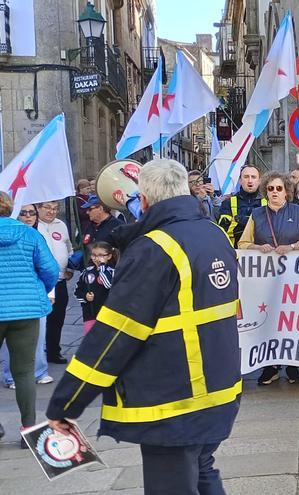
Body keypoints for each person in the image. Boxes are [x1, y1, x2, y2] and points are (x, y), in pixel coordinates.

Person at [46, 159, 241, 494]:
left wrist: (67, 403)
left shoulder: (153, 249)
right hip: (219, 390)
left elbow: (113, 336)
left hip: (175, 399)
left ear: (146, 201)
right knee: (202, 471)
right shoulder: (214, 233)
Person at [239, 171, 299, 386]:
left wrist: (292, 247)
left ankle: (292, 365)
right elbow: (243, 243)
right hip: (265, 282)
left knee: (291, 321)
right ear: (265, 191)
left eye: (279, 189)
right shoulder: (256, 214)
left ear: (287, 191)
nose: (274, 192)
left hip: (294, 279)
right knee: (269, 321)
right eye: (271, 189)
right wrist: (257, 247)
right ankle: (270, 366)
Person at [1, 204, 54, 390]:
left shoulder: (34, 234)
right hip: (29, 300)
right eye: (24, 212)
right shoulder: (32, 235)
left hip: (12, 303)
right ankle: (28, 416)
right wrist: (42, 289)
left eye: (32, 212)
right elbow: (50, 270)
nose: (28, 216)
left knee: (16, 344)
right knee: (32, 339)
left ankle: (20, 375)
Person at [37, 201, 74, 364]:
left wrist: (70, 266)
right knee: (39, 320)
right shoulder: (33, 226)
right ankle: (35, 355)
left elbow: (68, 247)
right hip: (41, 281)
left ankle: (53, 351)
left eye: (55, 208)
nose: (52, 212)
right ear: (38, 209)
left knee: (57, 318)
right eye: (47, 208)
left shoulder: (61, 225)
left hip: (59, 280)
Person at [74, 241, 117, 335]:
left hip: (107, 313)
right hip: (90, 313)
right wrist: (85, 296)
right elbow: (77, 290)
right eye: (94, 255)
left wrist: (102, 267)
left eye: (101, 255)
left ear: (109, 256)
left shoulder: (112, 271)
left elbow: (108, 284)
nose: (97, 258)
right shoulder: (87, 271)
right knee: (90, 339)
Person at [217, 165, 265, 247]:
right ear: (240, 180)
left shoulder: (267, 203)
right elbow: (223, 230)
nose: (250, 180)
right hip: (235, 252)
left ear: (259, 181)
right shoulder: (228, 203)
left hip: (261, 253)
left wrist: (239, 220)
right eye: (246, 177)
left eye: (253, 177)